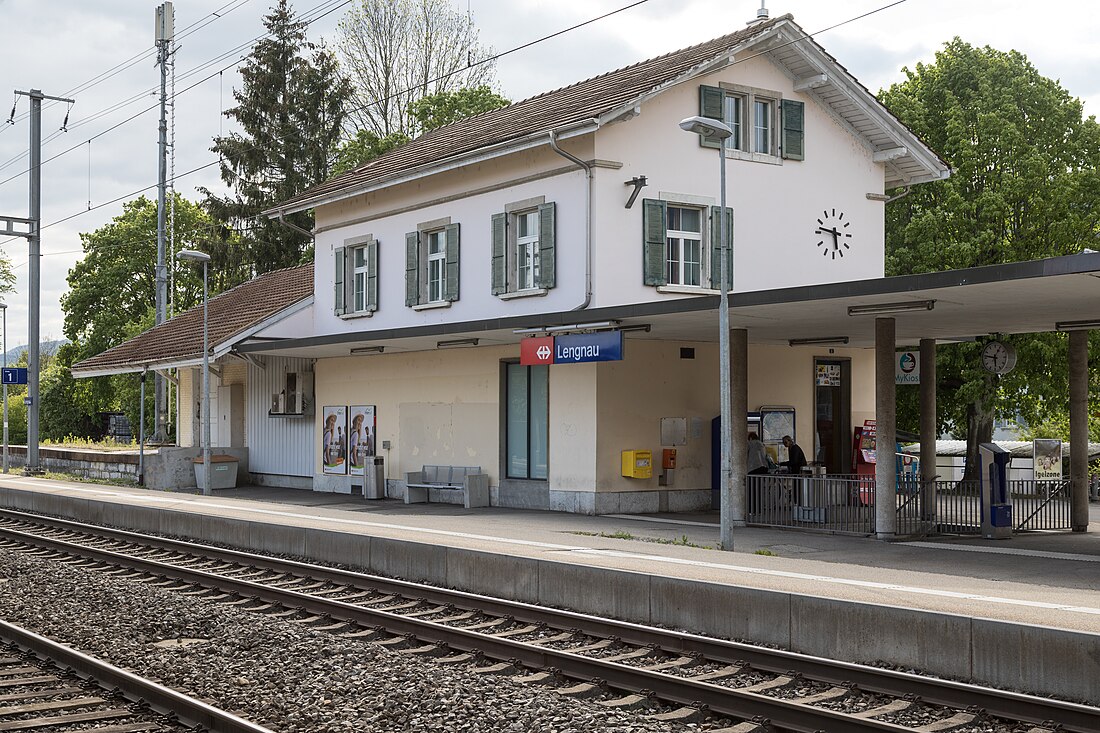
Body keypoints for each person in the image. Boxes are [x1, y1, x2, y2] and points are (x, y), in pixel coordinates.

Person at [747, 431, 769, 514]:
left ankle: (752, 510)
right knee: (759, 490)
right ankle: (759, 510)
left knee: (752, 491)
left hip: (752, 468)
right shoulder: (761, 444)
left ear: (751, 438)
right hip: (763, 468)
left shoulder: (750, 443)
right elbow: (765, 456)